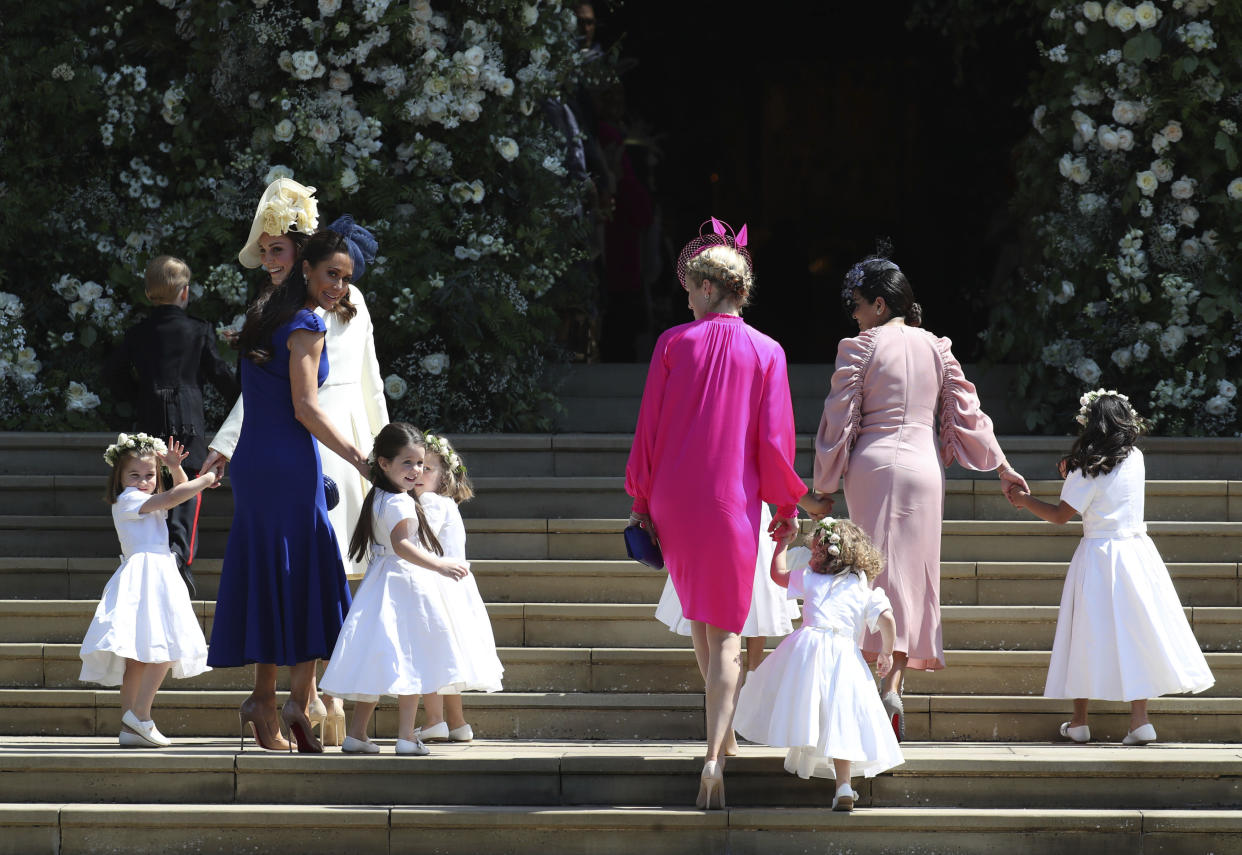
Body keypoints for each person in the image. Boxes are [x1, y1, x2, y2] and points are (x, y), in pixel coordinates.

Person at [804, 255, 1029, 740]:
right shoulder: (937, 348)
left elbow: (838, 419)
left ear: (880, 304)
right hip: (925, 469)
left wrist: (822, 487)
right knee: (912, 580)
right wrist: (1003, 466)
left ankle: (868, 689)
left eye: (859, 305)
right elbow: (970, 413)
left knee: (868, 572)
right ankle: (894, 685)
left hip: (874, 466)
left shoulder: (861, 347)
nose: (855, 315)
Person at [625, 218, 806, 809]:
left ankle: (721, 739)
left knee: (702, 622)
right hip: (732, 501)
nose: (686, 299)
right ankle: (713, 755)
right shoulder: (769, 350)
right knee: (725, 632)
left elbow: (648, 427)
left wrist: (640, 498)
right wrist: (785, 505)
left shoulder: (674, 343)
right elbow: (775, 441)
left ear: (706, 289)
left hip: (677, 499)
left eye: (688, 289)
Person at [204, 180, 389, 745]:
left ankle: (268, 699)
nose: (339, 285)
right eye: (332, 274)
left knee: (271, 570)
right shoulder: (307, 323)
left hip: (260, 461)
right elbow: (307, 407)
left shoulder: (263, 314)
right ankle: (296, 702)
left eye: (345, 277)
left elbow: (274, 395)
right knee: (308, 571)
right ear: (309, 268)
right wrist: (365, 460)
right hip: (295, 456)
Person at [1008, 389, 1214, 745]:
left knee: (1085, 634)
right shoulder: (1135, 458)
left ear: (1090, 425)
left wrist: (1024, 501)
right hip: (1136, 553)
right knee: (1137, 632)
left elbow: (1060, 516)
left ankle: (1079, 721)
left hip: (1098, 556)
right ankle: (1140, 720)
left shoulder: (1084, 468)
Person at [320, 423, 473, 755]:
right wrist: (441, 564)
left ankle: (358, 733)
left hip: (380, 584)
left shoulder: (378, 495)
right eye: (407, 463)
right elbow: (402, 545)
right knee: (412, 658)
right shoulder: (400, 502)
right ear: (384, 463)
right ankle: (406, 736)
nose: (416, 470)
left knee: (378, 657)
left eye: (420, 463)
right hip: (406, 584)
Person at [733, 516, 903, 812]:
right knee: (841, 716)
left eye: (814, 551)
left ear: (821, 553)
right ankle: (844, 786)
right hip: (844, 654)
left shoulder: (810, 579)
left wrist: (781, 544)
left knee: (811, 707)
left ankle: (812, 750)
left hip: (807, 649)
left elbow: (778, 574)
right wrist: (887, 651)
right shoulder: (861, 586)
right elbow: (887, 618)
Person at [107, 255, 238, 596]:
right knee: (187, 488)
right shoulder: (198, 329)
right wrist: (242, 400)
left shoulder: (137, 333)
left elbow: (114, 374)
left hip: (150, 418)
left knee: (153, 485)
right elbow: (220, 375)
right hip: (189, 420)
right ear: (185, 292)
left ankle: (159, 552)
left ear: (150, 293)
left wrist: (136, 396)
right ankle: (180, 554)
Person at [80, 433, 218, 747]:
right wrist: (206, 478)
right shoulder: (129, 500)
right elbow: (172, 498)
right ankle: (140, 715)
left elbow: (180, 495)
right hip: (148, 573)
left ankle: (131, 728)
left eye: (150, 476)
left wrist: (174, 469)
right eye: (135, 475)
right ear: (120, 477)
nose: (143, 481)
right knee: (165, 646)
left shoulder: (145, 499)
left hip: (155, 572)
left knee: (140, 659)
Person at [654, 501, 800, 753]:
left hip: (700, 510)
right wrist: (792, 507)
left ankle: (726, 719)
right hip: (746, 511)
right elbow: (776, 468)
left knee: (704, 612)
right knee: (753, 599)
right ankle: (733, 708)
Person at [412, 432, 504, 743]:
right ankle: (458, 722)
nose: (419, 473)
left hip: (437, 587)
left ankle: (435, 720)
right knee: (448, 659)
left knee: (432, 656)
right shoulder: (447, 503)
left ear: (443, 477)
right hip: (455, 589)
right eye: (417, 465)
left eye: (428, 468)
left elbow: (419, 541)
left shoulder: (429, 502)